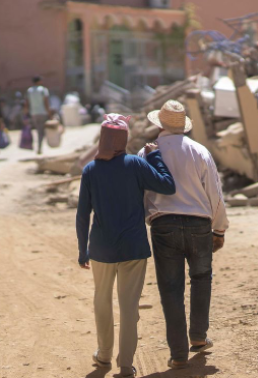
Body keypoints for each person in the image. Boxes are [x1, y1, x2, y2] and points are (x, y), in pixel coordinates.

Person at [76, 114, 176, 378]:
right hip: (133, 248)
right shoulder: (134, 164)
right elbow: (167, 186)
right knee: (129, 307)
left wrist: (81, 250)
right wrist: (154, 158)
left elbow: (82, 214)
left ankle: (104, 355)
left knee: (102, 301)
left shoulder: (90, 170)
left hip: (100, 249)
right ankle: (126, 364)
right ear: (124, 138)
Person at [137, 100, 229, 369]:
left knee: (170, 289)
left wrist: (146, 219)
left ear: (159, 124)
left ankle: (178, 354)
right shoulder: (199, 150)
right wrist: (219, 229)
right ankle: (199, 337)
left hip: (163, 225)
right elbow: (215, 193)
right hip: (199, 224)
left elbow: (141, 193)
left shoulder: (147, 153)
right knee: (201, 278)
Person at [26, 76, 52, 155]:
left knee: (38, 130)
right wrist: (49, 113)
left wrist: (27, 113)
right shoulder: (43, 90)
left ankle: (38, 146)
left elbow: (27, 102)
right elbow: (46, 102)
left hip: (33, 113)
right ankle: (39, 147)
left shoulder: (29, 91)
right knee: (41, 131)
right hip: (42, 112)